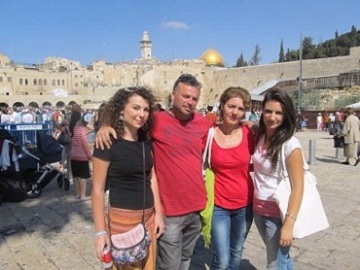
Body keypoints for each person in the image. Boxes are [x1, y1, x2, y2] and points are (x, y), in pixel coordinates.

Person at [96, 74, 214, 269]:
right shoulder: (155, 121)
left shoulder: (202, 123)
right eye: (185, 96)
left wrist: (251, 126)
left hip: (196, 209)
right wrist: (105, 124)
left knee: (185, 259)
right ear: (173, 95)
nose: (190, 102)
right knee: (169, 265)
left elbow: (227, 128)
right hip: (170, 211)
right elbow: (128, 116)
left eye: (194, 98)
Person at [92, 87, 164, 270]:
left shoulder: (145, 141)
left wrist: (159, 214)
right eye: (136, 108)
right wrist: (100, 233)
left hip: (148, 219)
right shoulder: (107, 142)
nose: (142, 114)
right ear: (121, 110)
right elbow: (98, 190)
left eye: (146, 109)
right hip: (121, 223)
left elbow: (152, 178)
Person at [252, 88, 304, 269]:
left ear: (286, 115)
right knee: (282, 260)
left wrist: (288, 225)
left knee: (274, 264)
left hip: (277, 215)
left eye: (278, 113)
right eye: (268, 111)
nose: (272, 117)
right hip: (258, 211)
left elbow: (298, 187)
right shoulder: (261, 136)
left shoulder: (290, 144)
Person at [206, 87, 254, 270]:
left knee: (236, 253)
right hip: (219, 205)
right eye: (231, 106)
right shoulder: (209, 133)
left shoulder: (251, 134)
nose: (235, 112)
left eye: (240, 109)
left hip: (245, 205)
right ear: (222, 106)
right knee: (222, 259)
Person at [69, 109, 92, 200]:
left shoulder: (71, 129)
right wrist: (89, 155)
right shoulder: (81, 129)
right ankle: (83, 195)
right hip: (82, 156)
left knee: (75, 176)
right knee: (83, 176)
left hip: (73, 155)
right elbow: (85, 144)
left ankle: (77, 194)